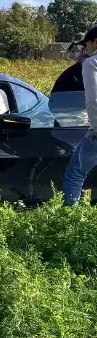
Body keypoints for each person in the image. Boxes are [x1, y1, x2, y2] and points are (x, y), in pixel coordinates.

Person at [63, 25, 97, 206]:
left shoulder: (92, 63)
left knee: (75, 174)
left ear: (96, 42)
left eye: (87, 45)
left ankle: (69, 221)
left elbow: (93, 99)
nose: (86, 49)